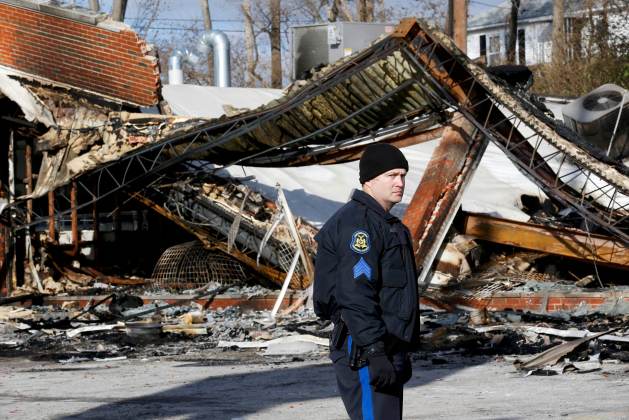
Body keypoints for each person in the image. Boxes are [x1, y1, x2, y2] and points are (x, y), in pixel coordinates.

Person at [313, 143, 419, 420]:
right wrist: (374, 351)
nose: (400, 182)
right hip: (362, 348)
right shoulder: (358, 226)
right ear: (369, 179)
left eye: (403, 175)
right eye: (391, 175)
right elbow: (355, 293)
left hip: (384, 345)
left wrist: (401, 349)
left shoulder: (387, 224)